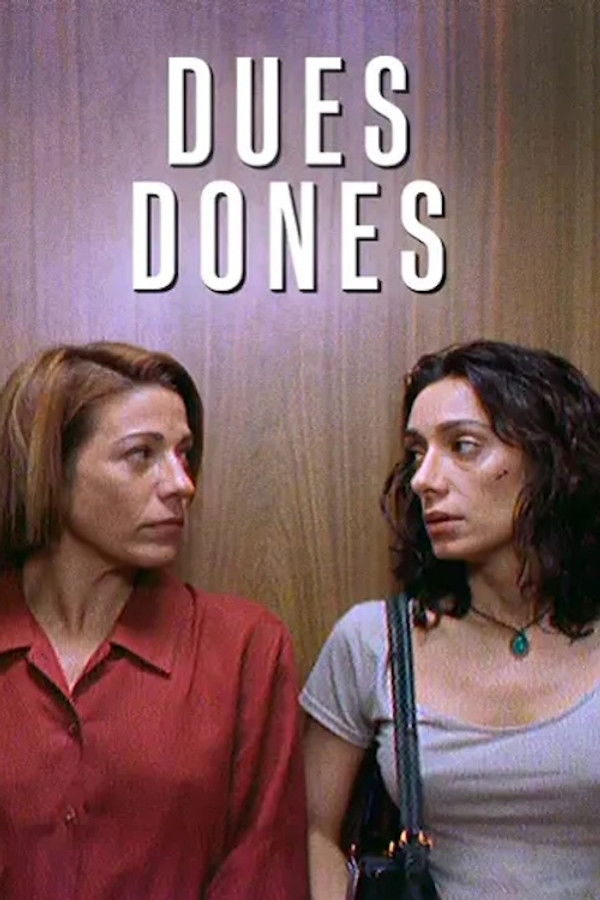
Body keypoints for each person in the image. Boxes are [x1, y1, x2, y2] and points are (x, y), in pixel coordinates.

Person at [0, 341, 308, 899]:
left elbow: (264, 872)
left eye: (184, 454)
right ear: (50, 469)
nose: (181, 483)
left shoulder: (246, 649)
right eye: (141, 454)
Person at [301, 339, 600, 898]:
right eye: (417, 453)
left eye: (463, 446)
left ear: (552, 462)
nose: (424, 478)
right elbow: (313, 830)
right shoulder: (373, 641)